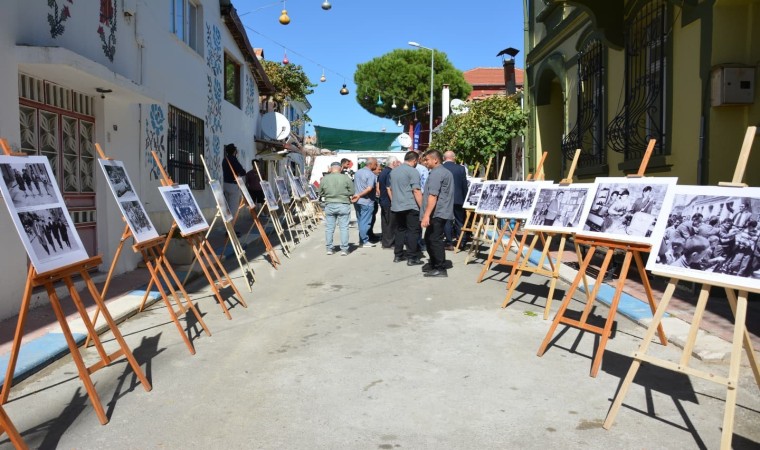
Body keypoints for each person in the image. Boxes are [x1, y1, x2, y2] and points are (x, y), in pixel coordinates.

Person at [420, 150, 454, 278]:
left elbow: (433, 196)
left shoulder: (437, 173)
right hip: (440, 211)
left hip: (437, 212)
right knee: (429, 238)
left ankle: (440, 268)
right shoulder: (441, 172)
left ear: (435, 160)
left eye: (427, 159)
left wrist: (426, 215)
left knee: (435, 239)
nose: (425, 162)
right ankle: (434, 263)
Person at [389, 151, 423, 265]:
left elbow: (391, 189)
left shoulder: (394, 171)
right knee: (413, 231)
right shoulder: (413, 171)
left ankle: (398, 255)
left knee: (400, 230)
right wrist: (422, 207)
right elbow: (416, 190)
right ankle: (412, 257)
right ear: (415, 161)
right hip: (410, 205)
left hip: (397, 206)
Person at [319, 162, 354, 255]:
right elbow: (352, 191)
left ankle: (329, 248)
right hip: (343, 204)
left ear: (330, 168)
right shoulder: (346, 178)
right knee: (344, 228)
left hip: (329, 204)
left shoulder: (324, 179)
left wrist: (328, 195)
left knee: (329, 228)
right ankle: (344, 249)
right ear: (341, 168)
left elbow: (320, 192)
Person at [442, 151, 468, 251]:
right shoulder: (461, 168)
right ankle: (462, 241)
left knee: (447, 221)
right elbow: (464, 185)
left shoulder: (441, 168)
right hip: (459, 198)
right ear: (453, 157)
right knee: (459, 220)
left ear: (444, 158)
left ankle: (449, 243)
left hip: (445, 199)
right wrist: (466, 198)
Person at [351, 157, 378, 248]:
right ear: (370, 164)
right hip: (366, 201)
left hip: (357, 201)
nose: (377, 166)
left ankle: (362, 240)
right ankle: (364, 241)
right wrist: (360, 195)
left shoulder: (358, 172)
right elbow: (369, 188)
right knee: (365, 222)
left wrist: (357, 195)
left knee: (361, 221)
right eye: (375, 164)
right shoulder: (371, 174)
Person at [377, 156, 399, 249]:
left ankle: (385, 241)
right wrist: (394, 201)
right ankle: (389, 243)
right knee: (391, 223)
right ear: (393, 163)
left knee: (385, 222)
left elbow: (377, 186)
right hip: (389, 201)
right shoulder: (390, 172)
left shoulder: (382, 172)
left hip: (383, 200)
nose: (398, 164)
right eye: (397, 162)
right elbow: (389, 188)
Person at [222, 143, 245, 213]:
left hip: (225, 184)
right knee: (233, 208)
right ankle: (231, 224)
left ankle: (227, 223)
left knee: (227, 207)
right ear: (234, 151)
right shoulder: (233, 159)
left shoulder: (224, 160)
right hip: (233, 185)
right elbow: (241, 171)